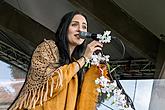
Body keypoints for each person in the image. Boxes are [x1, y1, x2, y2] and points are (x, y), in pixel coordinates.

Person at [8, 10, 107, 110]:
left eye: (84, 27)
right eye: (74, 25)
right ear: (64, 29)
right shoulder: (48, 48)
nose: (80, 30)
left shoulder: (77, 65)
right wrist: (84, 59)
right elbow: (49, 86)